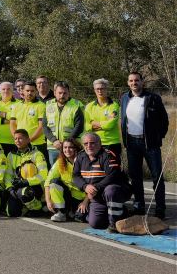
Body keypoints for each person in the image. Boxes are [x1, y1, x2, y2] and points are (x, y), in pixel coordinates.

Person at [120, 72, 170, 218]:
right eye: (131, 80)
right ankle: (138, 206)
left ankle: (160, 208)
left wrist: (157, 137)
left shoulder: (153, 98)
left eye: (137, 80)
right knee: (135, 177)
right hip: (131, 143)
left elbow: (164, 121)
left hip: (150, 144)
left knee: (157, 177)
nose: (134, 83)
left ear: (142, 82)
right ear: (128, 82)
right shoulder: (124, 98)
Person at [72, 132, 128, 230]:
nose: (89, 146)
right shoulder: (79, 157)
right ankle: (120, 212)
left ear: (100, 143)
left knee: (111, 190)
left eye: (92, 143)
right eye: (86, 143)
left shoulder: (109, 155)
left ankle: (114, 223)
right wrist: (85, 186)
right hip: (96, 195)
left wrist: (96, 187)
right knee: (96, 224)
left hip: (115, 191)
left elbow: (113, 176)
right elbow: (75, 176)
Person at [5, 129, 49, 217]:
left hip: (34, 186)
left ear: (28, 140)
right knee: (11, 213)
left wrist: (27, 181)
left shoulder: (37, 154)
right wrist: (10, 188)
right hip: (17, 186)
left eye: (20, 138)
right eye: (15, 139)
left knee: (24, 192)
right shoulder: (11, 154)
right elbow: (8, 174)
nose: (17, 141)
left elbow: (44, 174)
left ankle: (38, 208)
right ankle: (26, 206)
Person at [45, 139, 87, 223]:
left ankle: (72, 212)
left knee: (80, 218)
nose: (67, 150)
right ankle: (61, 212)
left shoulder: (84, 161)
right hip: (67, 195)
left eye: (70, 147)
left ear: (76, 148)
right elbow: (47, 182)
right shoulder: (60, 161)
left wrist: (85, 202)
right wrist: (48, 201)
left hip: (82, 198)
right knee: (54, 182)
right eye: (65, 147)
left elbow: (92, 185)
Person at [44, 81, 84, 166]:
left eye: (65, 93)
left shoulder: (76, 107)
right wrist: (54, 140)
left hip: (71, 147)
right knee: (55, 172)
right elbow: (45, 126)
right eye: (60, 93)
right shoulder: (48, 106)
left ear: (69, 93)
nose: (62, 95)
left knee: (73, 170)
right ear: (55, 93)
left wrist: (66, 142)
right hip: (54, 147)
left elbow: (79, 126)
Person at [85, 79, 122, 161]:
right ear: (94, 90)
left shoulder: (113, 105)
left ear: (106, 89)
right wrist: (103, 125)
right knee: (97, 170)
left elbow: (110, 125)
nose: (99, 91)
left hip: (111, 143)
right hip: (94, 143)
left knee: (113, 170)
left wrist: (93, 123)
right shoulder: (89, 106)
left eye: (102, 88)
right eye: (97, 89)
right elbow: (86, 126)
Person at [8, 83, 47, 163]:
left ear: (36, 91)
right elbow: (12, 124)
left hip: (37, 144)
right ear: (23, 91)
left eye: (32, 91)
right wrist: (17, 139)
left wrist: (28, 140)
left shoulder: (41, 106)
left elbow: (41, 127)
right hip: (20, 144)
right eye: (27, 90)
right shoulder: (16, 106)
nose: (30, 93)